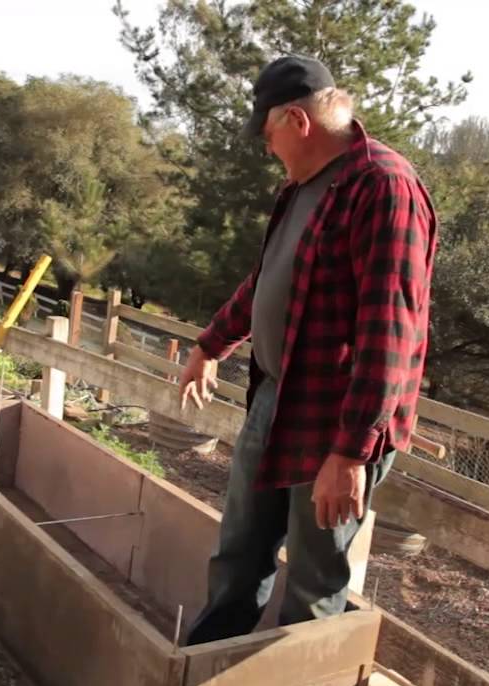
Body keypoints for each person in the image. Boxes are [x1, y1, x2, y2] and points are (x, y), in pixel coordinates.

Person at [177, 54, 439, 644]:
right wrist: (211, 343)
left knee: (314, 581)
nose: (266, 147)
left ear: (296, 121)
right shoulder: (301, 188)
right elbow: (268, 280)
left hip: (336, 421)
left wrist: (349, 455)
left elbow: (389, 335)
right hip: (278, 396)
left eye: (267, 134)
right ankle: (204, 678)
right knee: (239, 554)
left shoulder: (384, 186)